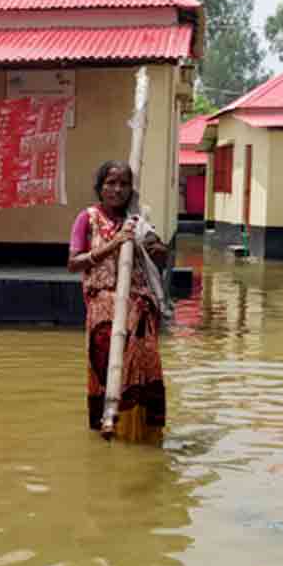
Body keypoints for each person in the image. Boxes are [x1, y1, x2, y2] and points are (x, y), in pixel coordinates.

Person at [67, 160, 168, 444]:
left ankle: (141, 434)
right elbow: (73, 263)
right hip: (103, 309)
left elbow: (157, 258)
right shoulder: (87, 218)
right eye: (111, 183)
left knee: (142, 371)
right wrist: (113, 244)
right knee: (106, 370)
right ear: (100, 188)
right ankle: (107, 426)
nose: (117, 189)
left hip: (138, 308)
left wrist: (158, 250)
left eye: (124, 184)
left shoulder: (138, 221)